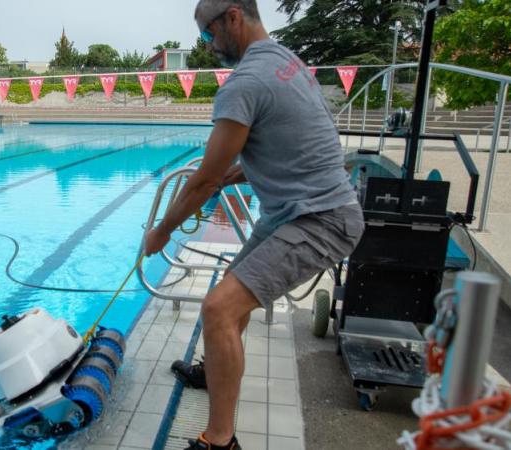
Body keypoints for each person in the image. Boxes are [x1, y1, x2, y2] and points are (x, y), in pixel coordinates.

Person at [142, 0, 365, 449]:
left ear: (233, 18)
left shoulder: (245, 81)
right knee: (230, 291)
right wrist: (234, 175)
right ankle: (214, 370)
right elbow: (287, 141)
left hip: (319, 219)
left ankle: (219, 442)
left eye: (207, 34)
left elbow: (203, 181)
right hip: (299, 210)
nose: (206, 46)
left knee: (218, 308)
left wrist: (162, 231)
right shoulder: (286, 62)